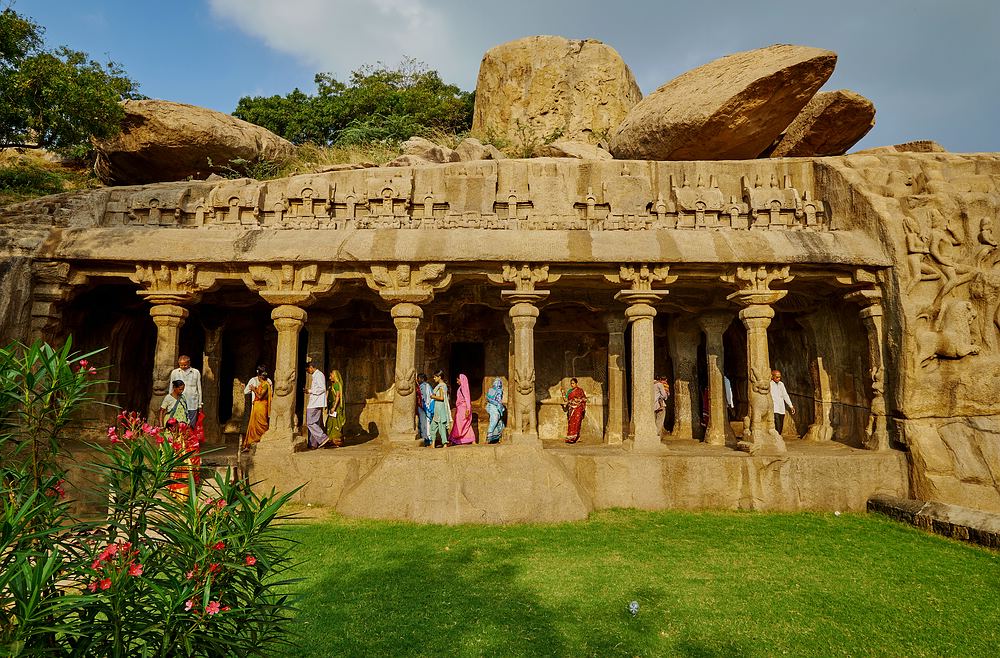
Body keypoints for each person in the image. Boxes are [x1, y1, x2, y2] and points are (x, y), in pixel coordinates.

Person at [242, 366, 271, 453]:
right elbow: (246, 391)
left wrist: (254, 389)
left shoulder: (266, 384)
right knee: (252, 426)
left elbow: (260, 396)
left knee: (262, 424)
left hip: (261, 407)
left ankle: (262, 441)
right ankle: (249, 443)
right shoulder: (255, 380)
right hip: (256, 406)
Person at [168, 355, 202, 427]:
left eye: (185, 365)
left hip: (192, 403)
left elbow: (199, 389)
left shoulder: (196, 372)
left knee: (191, 425)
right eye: (181, 365)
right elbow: (171, 388)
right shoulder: (174, 372)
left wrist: (200, 404)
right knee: (178, 424)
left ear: (189, 363)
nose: (183, 366)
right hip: (178, 403)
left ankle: (189, 437)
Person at [303, 361, 329, 448]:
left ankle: (323, 438)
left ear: (311, 367)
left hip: (315, 403)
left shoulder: (319, 375)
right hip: (315, 402)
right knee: (314, 423)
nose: (308, 372)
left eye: (308, 370)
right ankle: (313, 444)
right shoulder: (316, 375)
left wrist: (310, 391)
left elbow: (322, 388)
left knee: (310, 423)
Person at [449, 374, 476, 445]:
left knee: (458, 424)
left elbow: (467, 399)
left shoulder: (462, 388)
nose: (457, 382)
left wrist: (467, 409)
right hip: (462, 408)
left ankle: (453, 440)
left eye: (458, 380)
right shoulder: (462, 388)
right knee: (466, 424)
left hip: (462, 409)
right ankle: (472, 439)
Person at [428, 370, 452, 448]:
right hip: (437, 409)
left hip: (441, 409)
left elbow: (441, 398)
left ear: (439, 377)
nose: (434, 378)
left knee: (442, 427)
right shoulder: (440, 386)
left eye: (435, 377)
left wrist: (433, 397)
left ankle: (445, 443)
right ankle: (433, 443)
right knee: (433, 427)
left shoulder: (442, 386)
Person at [770, 369, 795, 435]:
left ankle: (778, 439)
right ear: (772, 377)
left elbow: (785, 395)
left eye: (779, 377)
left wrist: (791, 406)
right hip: (774, 409)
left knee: (780, 426)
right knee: (777, 425)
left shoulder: (781, 384)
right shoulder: (770, 384)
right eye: (777, 377)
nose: (779, 378)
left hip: (781, 408)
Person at [325, 369, 345, 447]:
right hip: (333, 407)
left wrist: (334, 407)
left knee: (334, 424)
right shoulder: (333, 385)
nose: (330, 378)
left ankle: (336, 442)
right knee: (330, 423)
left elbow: (338, 396)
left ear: (335, 376)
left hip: (335, 407)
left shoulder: (336, 385)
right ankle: (333, 441)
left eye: (331, 376)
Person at [563, 377, 587, 444]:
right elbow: (566, 400)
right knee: (571, 424)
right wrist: (563, 393)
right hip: (571, 409)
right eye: (571, 383)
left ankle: (577, 438)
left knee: (577, 423)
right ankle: (570, 438)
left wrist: (578, 400)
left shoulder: (580, 390)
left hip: (578, 408)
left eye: (573, 383)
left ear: (576, 383)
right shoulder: (569, 391)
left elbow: (585, 399)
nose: (572, 385)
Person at [485, 377, 505, 444]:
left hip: (496, 407)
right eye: (497, 382)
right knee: (494, 421)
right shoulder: (492, 390)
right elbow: (489, 398)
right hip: (493, 407)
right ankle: (489, 437)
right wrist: (498, 404)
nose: (498, 384)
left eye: (499, 382)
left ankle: (498, 438)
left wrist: (500, 406)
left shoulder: (500, 390)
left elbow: (499, 400)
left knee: (499, 423)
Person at [416, 373, 433, 446]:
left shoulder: (423, 386)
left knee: (424, 423)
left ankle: (426, 439)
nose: (417, 380)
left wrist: (424, 406)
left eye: (418, 378)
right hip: (425, 407)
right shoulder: (427, 386)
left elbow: (424, 398)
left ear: (422, 379)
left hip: (424, 407)